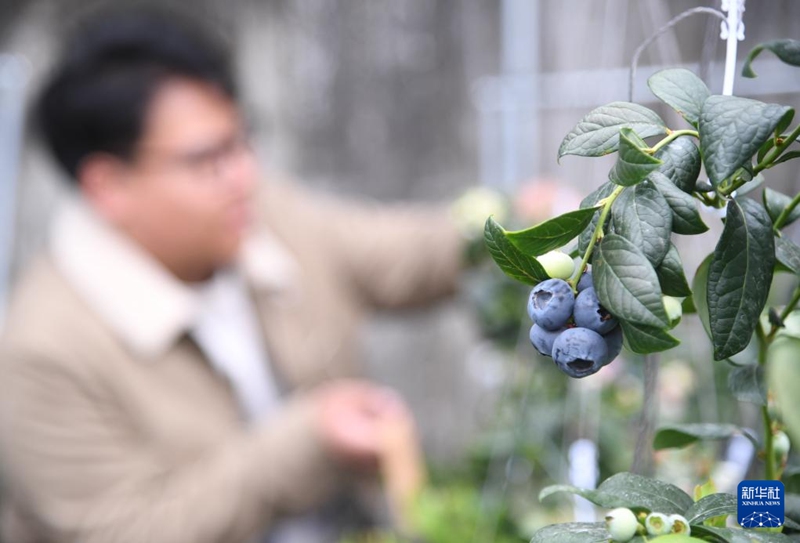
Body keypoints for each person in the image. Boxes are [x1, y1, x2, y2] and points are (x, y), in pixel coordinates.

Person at [0, 6, 476, 543]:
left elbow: (404, 255)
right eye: (208, 160)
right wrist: (307, 444)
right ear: (108, 186)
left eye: (241, 141)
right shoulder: (42, 353)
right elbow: (122, 529)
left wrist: (522, 231)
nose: (245, 175)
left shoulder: (260, 217)